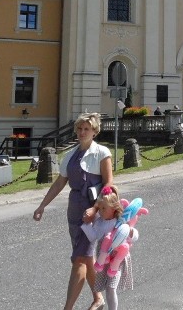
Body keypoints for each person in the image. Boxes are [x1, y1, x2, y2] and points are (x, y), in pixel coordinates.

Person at [34, 113, 114, 310]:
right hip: (74, 209)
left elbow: (108, 185)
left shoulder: (102, 153)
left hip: (93, 211)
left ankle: (67, 308)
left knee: (79, 259)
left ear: (94, 132)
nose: (82, 132)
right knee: (86, 257)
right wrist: (42, 205)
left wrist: (95, 209)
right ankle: (99, 298)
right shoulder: (70, 155)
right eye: (79, 128)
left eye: (86, 129)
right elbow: (60, 182)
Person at [85, 187, 136, 310]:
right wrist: (86, 225)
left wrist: (130, 232)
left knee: (111, 287)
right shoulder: (99, 223)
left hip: (117, 259)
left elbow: (134, 237)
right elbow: (93, 237)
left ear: (113, 208)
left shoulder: (121, 221)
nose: (101, 211)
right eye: (100, 208)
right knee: (107, 288)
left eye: (104, 208)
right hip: (104, 261)